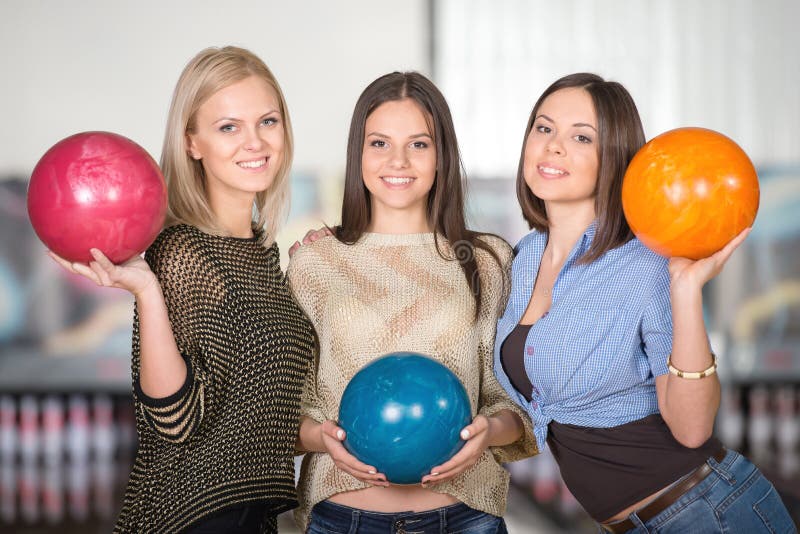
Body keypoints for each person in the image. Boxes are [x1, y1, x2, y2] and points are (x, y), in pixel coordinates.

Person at [493, 72, 796, 533]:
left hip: (706, 510)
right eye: (544, 127)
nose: (553, 146)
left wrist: (685, 291)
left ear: (614, 158)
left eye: (581, 137)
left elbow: (691, 429)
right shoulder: (521, 260)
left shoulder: (645, 263)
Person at [50, 46, 315, 533]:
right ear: (192, 142)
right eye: (229, 127)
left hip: (251, 516)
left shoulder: (261, 254)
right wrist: (149, 293)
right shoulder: (181, 251)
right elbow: (175, 424)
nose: (254, 142)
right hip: (192, 517)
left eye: (268, 121)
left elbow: (263, 412)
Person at [287, 71, 537, 534]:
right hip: (343, 518)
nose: (398, 160)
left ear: (441, 154)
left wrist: (487, 433)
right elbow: (288, 410)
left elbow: (516, 406)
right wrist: (323, 437)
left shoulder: (487, 260)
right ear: (357, 154)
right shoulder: (314, 263)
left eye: (419, 144)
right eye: (379, 143)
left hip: (466, 519)